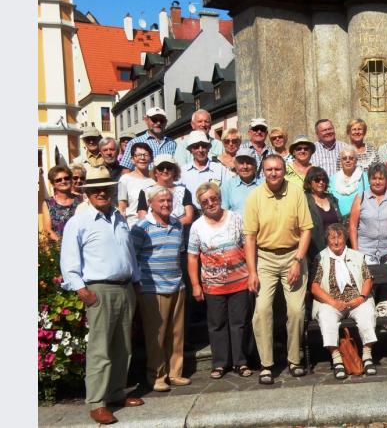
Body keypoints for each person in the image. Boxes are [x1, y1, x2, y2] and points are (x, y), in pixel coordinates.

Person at [59, 166, 144, 424]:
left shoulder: (119, 218)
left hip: (125, 288)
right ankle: (97, 402)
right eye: (95, 190)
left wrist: (136, 282)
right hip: (99, 290)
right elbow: (69, 260)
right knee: (100, 348)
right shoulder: (79, 222)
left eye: (105, 189)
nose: (101, 193)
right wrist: (82, 290)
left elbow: (128, 254)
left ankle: (117, 392)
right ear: (87, 193)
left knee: (123, 346)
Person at [243, 154, 313, 384]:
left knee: (295, 311)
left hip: (294, 255)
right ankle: (266, 364)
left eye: (278, 169)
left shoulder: (296, 192)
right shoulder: (254, 197)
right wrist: (252, 272)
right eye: (269, 169)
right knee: (262, 310)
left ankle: (294, 360)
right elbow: (250, 238)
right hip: (265, 258)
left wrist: (297, 260)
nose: (274, 173)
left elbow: (306, 230)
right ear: (263, 171)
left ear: (284, 171)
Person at [188, 183, 253, 379]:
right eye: (205, 201)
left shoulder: (236, 219)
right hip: (212, 284)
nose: (210, 203)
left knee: (239, 323)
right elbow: (192, 257)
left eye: (213, 199)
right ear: (200, 205)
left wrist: (252, 272)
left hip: (239, 280)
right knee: (217, 324)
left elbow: (248, 245)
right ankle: (220, 363)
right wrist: (195, 285)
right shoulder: (197, 226)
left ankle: (241, 362)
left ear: (219, 198)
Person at [130, 185, 190, 391]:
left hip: (177, 285)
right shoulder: (141, 228)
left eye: (168, 201)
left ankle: (175, 373)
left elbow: (179, 253)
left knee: (177, 333)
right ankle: (156, 375)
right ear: (150, 204)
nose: (166, 204)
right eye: (161, 201)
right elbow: (133, 258)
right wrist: (138, 286)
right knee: (156, 335)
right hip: (152, 288)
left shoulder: (177, 224)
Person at [310, 224, 378, 379]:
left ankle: (367, 356)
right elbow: (314, 287)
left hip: (356, 300)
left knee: (367, 313)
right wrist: (333, 302)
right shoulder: (321, 258)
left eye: (339, 237)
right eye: (332, 238)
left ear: (345, 238)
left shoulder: (356, 255)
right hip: (331, 302)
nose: (336, 242)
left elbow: (368, 279)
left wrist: (361, 297)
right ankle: (337, 359)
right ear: (327, 240)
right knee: (326, 316)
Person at [348, 163, 387, 265]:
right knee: (369, 280)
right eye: (374, 178)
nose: (377, 182)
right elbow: (352, 226)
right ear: (369, 180)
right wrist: (355, 251)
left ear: (386, 180)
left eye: (381, 179)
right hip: (366, 250)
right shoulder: (360, 198)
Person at [136, 155, 195, 230]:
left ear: (174, 171)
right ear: (155, 172)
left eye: (169, 167)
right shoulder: (145, 192)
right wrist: (161, 227)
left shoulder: (184, 191)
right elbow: (142, 218)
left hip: (180, 234)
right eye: (161, 168)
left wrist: (169, 226)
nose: (165, 170)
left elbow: (189, 218)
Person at [179, 130, 231, 211]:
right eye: (196, 147)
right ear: (190, 150)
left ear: (208, 148)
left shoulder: (220, 169)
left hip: (216, 213)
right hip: (192, 215)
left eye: (203, 146)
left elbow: (228, 194)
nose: (200, 150)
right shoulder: (182, 172)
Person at [120, 107, 177, 172]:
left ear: (166, 122)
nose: (158, 123)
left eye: (162, 120)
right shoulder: (134, 143)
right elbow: (126, 169)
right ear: (146, 120)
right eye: (154, 119)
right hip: (143, 181)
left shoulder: (172, 143)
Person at [305, 167, 343, 262]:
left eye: (324, 180)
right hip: (315, 251)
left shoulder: (332, 199)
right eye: (317, 180)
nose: (321, 182)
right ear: (310, 182)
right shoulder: (304, 200)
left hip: (336, 248)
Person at [117, 142, 156, 228]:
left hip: (154, 226)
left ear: (151, 159)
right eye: (138, 155)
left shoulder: (155, 180)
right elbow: (122, 209)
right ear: (132, 159)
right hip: (132, 226)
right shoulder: (125, 179)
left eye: (146, 155)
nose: (142, 158)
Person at [42, 165, 81, 242]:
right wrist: (62, 244)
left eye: (66, 178)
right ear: (53, 184)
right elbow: (47, 230)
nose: (63, 181)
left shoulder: (81, 199)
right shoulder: (48, 203)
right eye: (58, 180)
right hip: (59, 247)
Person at [329, 146, 370, 218]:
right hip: (339, 223)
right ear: (341, 162)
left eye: (351, 158)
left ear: (356, 160)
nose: (348, 161)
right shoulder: (332, 180)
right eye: (344, 158)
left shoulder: (365, 178)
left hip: (360, 222)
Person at [220, 149, 259, 215]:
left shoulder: (264, 184)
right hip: (236, 224)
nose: (245, 167)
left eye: (249, 163)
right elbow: (224, 211)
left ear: (255, 166)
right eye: (241, 163)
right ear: (235, 166)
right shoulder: (228, 186)